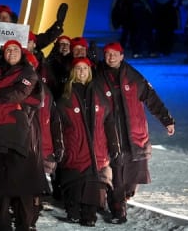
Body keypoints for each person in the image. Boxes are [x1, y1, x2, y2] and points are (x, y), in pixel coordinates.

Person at [93, 43, 175, 225]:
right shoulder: (98, 75)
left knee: (131, 170)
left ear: (122, 56)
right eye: (107, 54)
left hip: (132, 132)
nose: (111, 58)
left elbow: (151, 98)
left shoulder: (133, 77)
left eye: (114, 54)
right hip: (109, 130)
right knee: (115, 169)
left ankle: (124, 195)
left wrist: (166, 120)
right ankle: (117, 208)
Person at [0, 39, 45, 231]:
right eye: (7, 50)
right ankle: (3, 223)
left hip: (18, 136)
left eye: (15, 49)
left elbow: (19, 93)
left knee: (21, 184)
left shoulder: (28, 72)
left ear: (21, 53)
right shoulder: (0, 73)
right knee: (2, 183)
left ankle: (24, 223)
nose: (11, 52)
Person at [55, 58, 112, 227]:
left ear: (89, 71)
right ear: (73, 72)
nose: (81, 72)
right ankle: (73, 210)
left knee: (94, 182)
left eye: (85, 69)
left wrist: (113, 143)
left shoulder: (98, 92)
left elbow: (108, 119)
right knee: (75, 179)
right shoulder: (65, 95)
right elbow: (58, 121)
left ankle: (90, 214)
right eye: (78, 69)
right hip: (75, 144)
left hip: (96, 145)